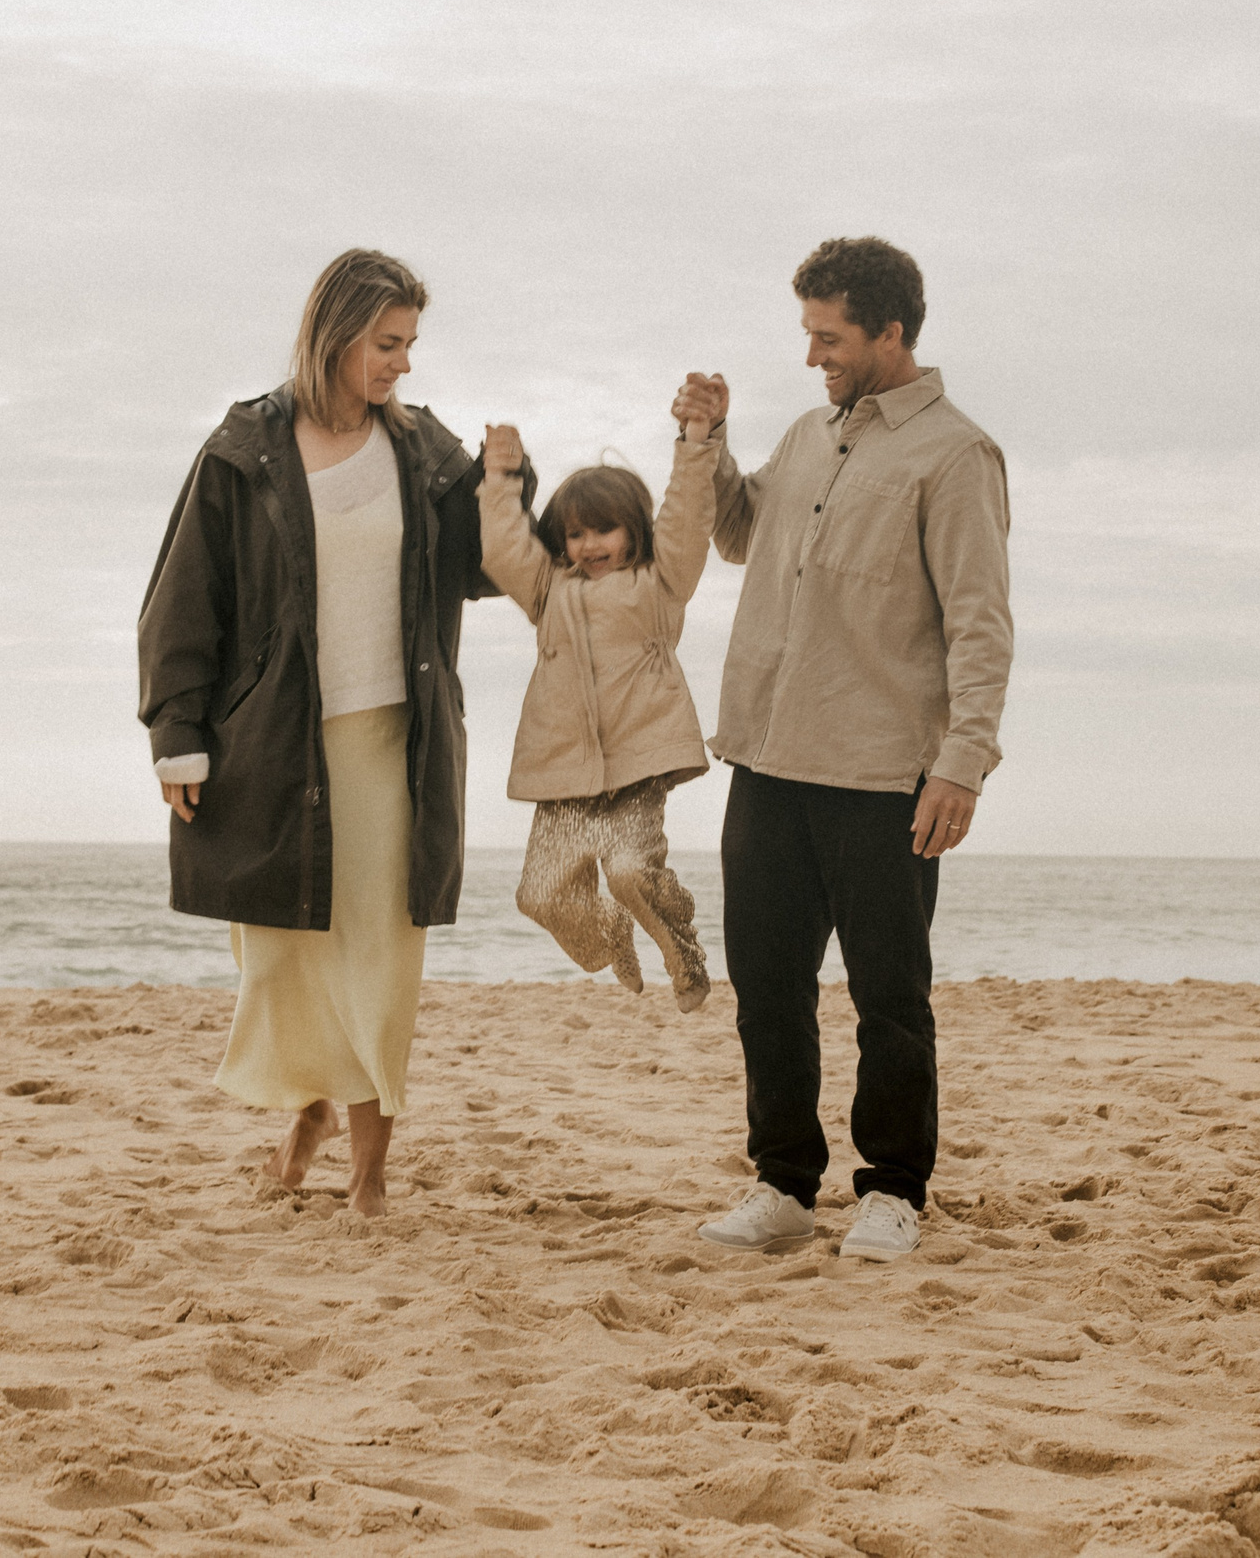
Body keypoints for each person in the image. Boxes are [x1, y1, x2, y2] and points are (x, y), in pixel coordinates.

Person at [135, 248, 520, 1217]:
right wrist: (177, 730)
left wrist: (509, 481)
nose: (401, 363)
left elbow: (486, 566)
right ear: (336, 334)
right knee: (284, 951)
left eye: (409, 345)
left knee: (382, 953)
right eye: (387, 344)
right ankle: (311, 1104)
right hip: (276, 747)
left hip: (399, 743)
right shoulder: (243, 450)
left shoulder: (423, 450)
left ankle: (370, 1174)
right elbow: (185, 598)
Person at [675, 236, 1013, 1263]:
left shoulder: (956, 454)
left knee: (888, 1000)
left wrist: (963, 760)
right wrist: (707, 437)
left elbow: (979, 623)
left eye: (830, 337)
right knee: (767, 989)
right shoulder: (805, 435)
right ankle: (783, 1183)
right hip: (769, 758)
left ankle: (893, 1193)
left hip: (882, 774)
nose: (814, 353)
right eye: (809, 334)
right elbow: (738, 535)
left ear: (891, 331)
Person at [474, 414, 719, 1010]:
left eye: (605, 531)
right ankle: (615, 935)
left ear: (634, 530)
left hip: (638, 768)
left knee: (633, 872)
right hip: (564, 777)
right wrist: (500, 477)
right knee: (539, 897)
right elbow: (505, 546)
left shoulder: (660, 585)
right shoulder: (547, 591)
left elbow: (686, 520)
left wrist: (694, 445)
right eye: (576, 534)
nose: (590, 546)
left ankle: (682, 949)